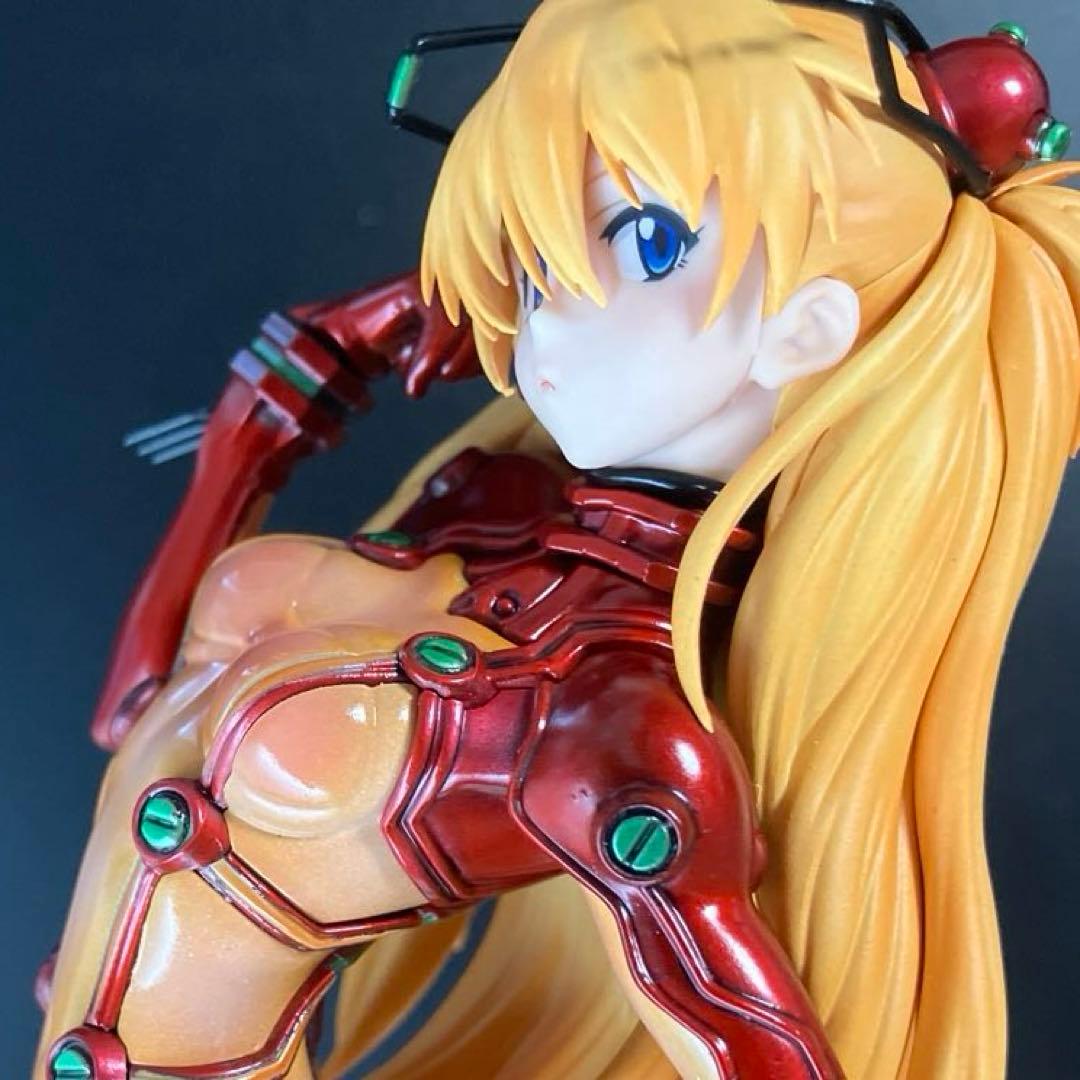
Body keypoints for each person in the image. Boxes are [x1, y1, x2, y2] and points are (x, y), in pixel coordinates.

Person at [35, 2, 1080, 1077]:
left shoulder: (614, 722)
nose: (548, 320)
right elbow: (135, 708)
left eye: (648, 242)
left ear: (805, 328)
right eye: (533, 263)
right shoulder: (489, 520)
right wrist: (273, 406)